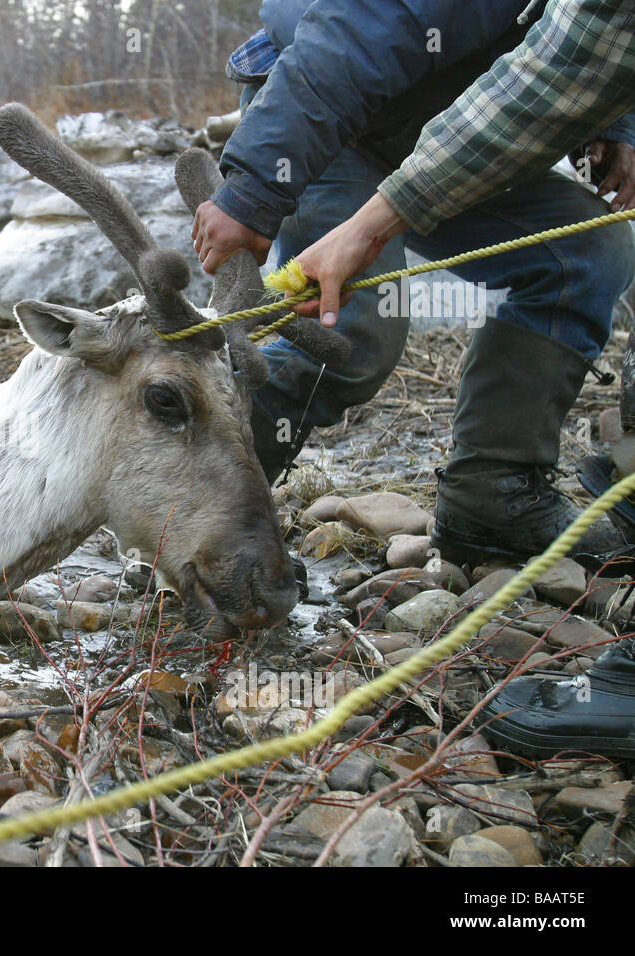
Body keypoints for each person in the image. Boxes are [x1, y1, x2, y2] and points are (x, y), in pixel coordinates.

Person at [197, 0, 635, 758]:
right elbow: (347, 40)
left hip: (464, 127)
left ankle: (494, 495)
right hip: (331, 120)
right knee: (348, 329)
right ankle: (207, 535)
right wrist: (253, 193)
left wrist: (619, 126)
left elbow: (592, 44)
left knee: (583, 258)